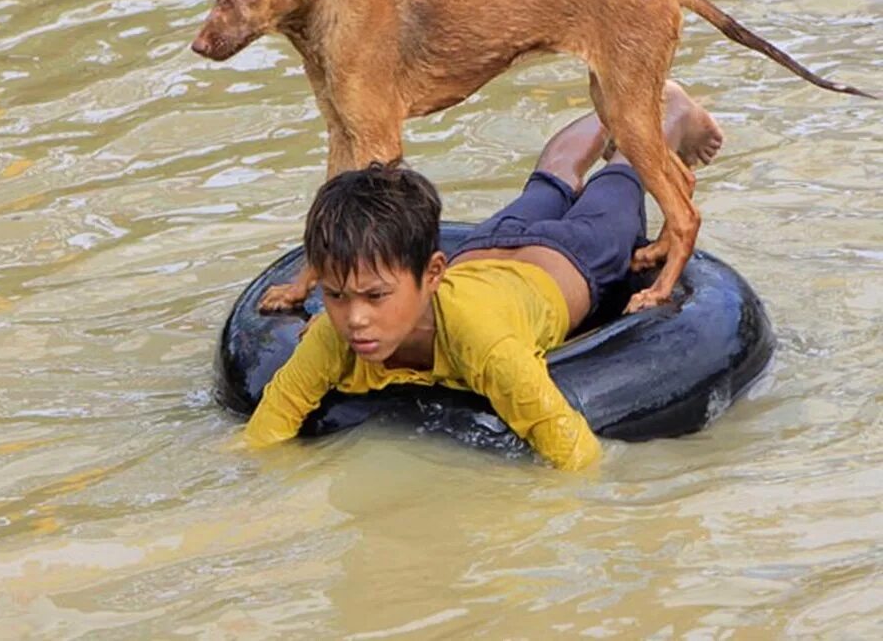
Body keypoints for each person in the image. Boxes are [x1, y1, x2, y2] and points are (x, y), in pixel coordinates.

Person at [243, 82, 724, 470]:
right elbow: (270, 426)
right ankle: (614, 109)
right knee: (552, 174)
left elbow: (576, 455)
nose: (355, 319)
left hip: (572, 260)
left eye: (375, 296)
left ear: (433, 273)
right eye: (336, 295)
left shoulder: (487, 346)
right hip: (485, 248)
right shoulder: (333, 334)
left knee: (621, 173)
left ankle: (667, 110)